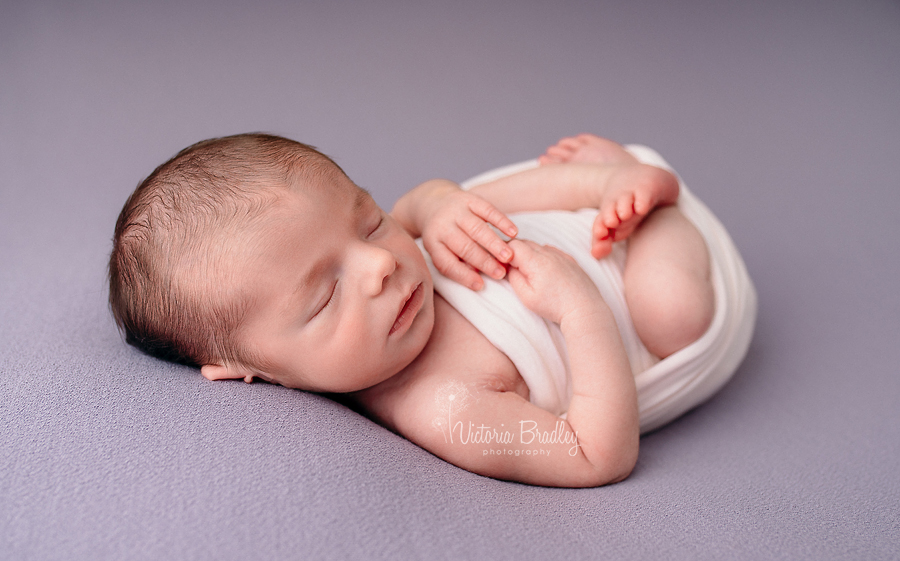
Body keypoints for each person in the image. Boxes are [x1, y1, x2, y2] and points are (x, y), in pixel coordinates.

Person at [109, 133, 752, 487]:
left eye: (366, 222)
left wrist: (438, 204)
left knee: (468, 205)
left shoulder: (399, 252)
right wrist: (577, 307)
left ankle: (607, 180)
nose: (380, 264)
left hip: (566, 220)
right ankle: (655, 211)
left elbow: (416, 204)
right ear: (243, 363)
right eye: (326, 295)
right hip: (631, 284)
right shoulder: (445, 408)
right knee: (673, 312)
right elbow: (595, 454)